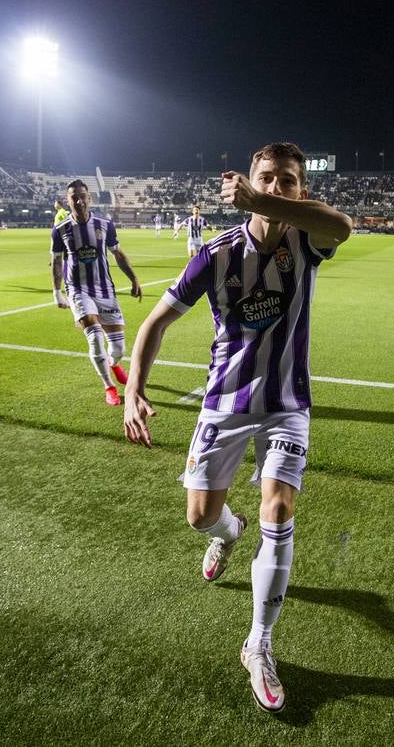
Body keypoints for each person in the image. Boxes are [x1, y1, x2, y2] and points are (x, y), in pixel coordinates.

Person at [123, 142, 353, 714]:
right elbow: (156, 321)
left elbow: (343, 227)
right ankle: (229, 532)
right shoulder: (216, 254)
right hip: (224, 401)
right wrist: (133, 390)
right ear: (247, 182)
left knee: (280, 508)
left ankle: (259, 643)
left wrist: (271, 204)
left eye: (289, 181)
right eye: (268, 178)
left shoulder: (307, 241)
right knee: (200, 516)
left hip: (286, 403)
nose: (278, 188)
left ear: (301, 189)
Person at [51, 179, 142, 405]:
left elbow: (118, 254)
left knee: (118, 348)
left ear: (89, 197)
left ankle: (114, 363)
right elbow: (55, 262)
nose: (79, 201)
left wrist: (134, 279)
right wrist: (57, 292)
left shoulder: (105, 225)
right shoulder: (60, 230)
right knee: (95, 339)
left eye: (83, 196)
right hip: (78, 289)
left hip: (105, 289)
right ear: (68, 200)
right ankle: (108, 386)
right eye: (74, 197)